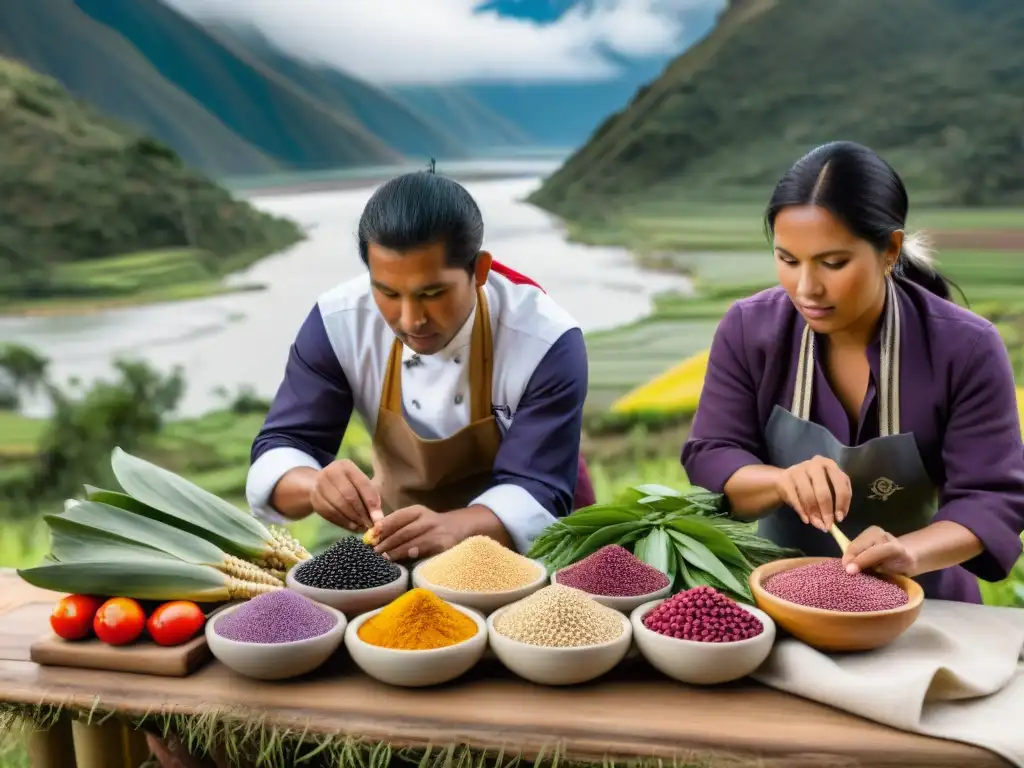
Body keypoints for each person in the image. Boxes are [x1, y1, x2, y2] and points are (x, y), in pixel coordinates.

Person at [681, 140, 1024, 603]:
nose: (806, 288)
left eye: (833, 263)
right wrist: (781, 481)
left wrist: (909, 552)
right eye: (787, 260)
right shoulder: (749, 329)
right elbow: (711, 454)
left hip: (927, 606)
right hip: (778, 601)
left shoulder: (966, 347)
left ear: (890, 250)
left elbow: (992, 497)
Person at [245, 170, 595, 562]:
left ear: (479, 271)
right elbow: (281, 446)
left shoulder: (544, 340)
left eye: (433, 293)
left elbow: (538, 488)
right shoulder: (338, 322)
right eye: (388, 292)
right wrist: (314, 486)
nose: (411, 320)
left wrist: (452, 528)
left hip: (529, 556)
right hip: (400, 547)